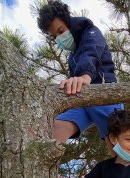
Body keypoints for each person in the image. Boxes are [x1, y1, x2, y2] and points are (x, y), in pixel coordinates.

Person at [37, 0, 123, 154]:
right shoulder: (72, 55)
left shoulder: (91, 32)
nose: (59, 37)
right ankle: (43, 174)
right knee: (55, 128)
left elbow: (91, 53)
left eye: (61, 30)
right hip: (82, 100)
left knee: (119, 150)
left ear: (68, 21)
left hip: (103, 93)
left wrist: (84, 76)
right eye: (54, 36)